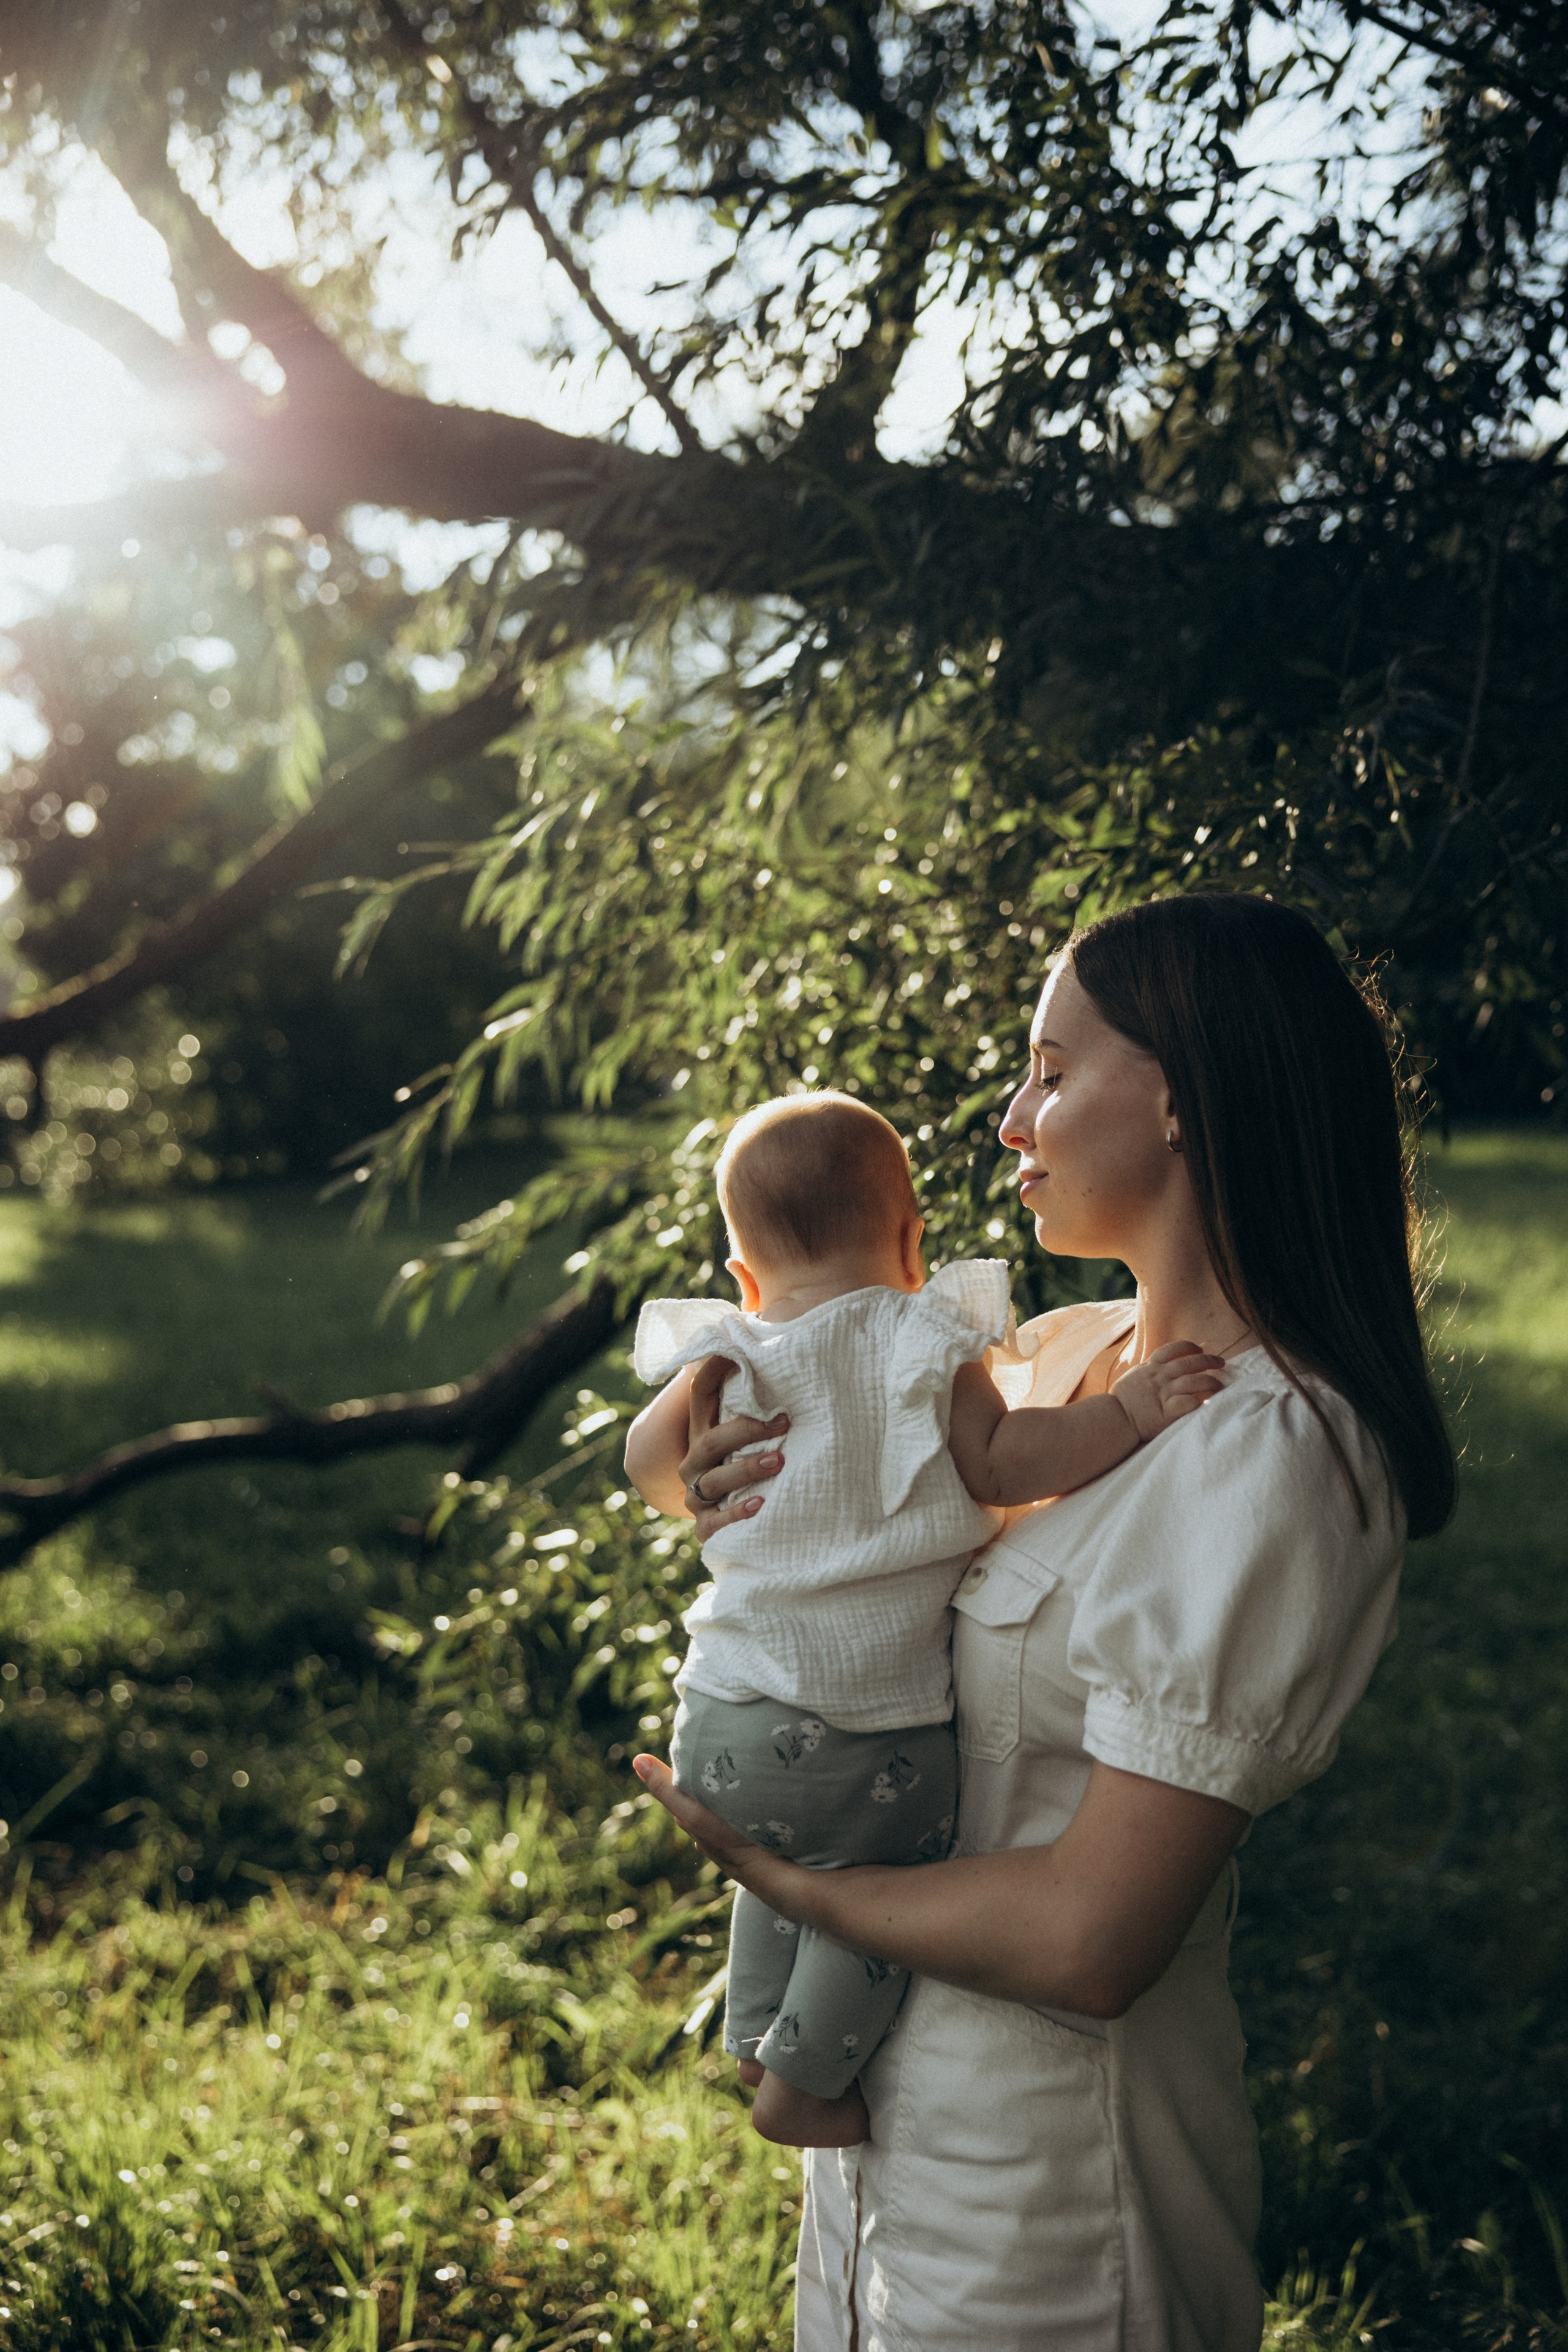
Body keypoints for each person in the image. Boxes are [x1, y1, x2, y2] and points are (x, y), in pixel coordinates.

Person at [624, 893, 1455, 2352]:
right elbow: (820, 1483)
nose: (1011, 1119)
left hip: (1052, 2195)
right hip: (876, 2134)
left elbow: (1091, 1934)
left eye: (1052, 1071)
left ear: (1187, 1101)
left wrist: (789, 1883)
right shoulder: (1052, 1358)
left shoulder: (1275, 1451)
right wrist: (695, 1467)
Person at [630, 1091, 1222, 2149]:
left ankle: (755, 2024)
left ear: (744, 1275)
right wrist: (1127, 1413)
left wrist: (691, 1460)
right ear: (909, 1239)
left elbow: (652, 1470)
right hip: (864, 1734)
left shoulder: (728, 1346)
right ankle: (808, 2080)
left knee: (783, 1869)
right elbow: (1002, 1462)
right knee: (886, 1882)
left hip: (717, 1722)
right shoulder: (922, 1336)